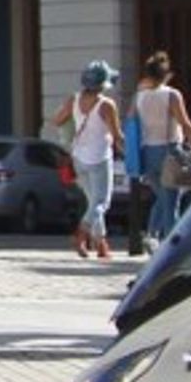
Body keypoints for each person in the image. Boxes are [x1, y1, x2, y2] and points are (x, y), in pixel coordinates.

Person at [56, 63, 122, 262]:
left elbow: (58, 120)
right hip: (99, 158)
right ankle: (82, 232)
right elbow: (116, 135)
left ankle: (101, 244)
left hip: (79, 158)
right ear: (103, 84)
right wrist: (131, 151)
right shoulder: (106, 105)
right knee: (101, 202)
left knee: (92, 203)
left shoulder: (73, 100)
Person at [133, 54, 191, 244]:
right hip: (170, 150)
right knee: (171, 203)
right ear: (166, 74)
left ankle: (152, 236)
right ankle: (171, 244)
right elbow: (186, 124)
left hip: (147, 152)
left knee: (162, 198)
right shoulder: (172, 95)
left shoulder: (139, 98)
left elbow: (131, 123)